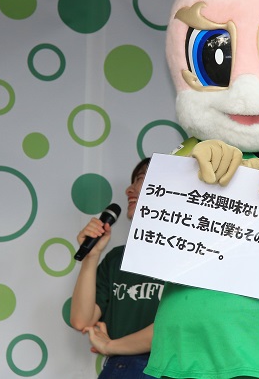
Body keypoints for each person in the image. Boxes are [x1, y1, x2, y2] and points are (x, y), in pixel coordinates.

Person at [70, 157, 164, 379]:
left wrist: (111, 345)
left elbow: (173, 328)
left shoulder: (190, 257)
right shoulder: (117, 258)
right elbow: (82, 320)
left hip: (164, 368)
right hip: (119, 369)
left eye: (141, 179)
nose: (129, 190)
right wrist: (92, 256)